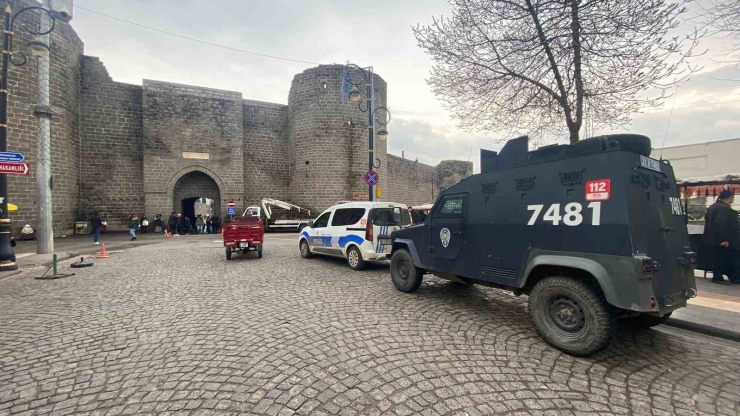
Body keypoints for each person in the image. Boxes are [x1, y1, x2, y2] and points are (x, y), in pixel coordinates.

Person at [703, 189, 740, 284]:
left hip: (712, 239)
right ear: (730, 198)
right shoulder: (724, 208)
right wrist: (724, 239)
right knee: (724, 258)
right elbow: (721, 224)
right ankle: (720, 277)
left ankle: (720, 276)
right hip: (723, 239)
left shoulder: (712, 207)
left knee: (718, 258)